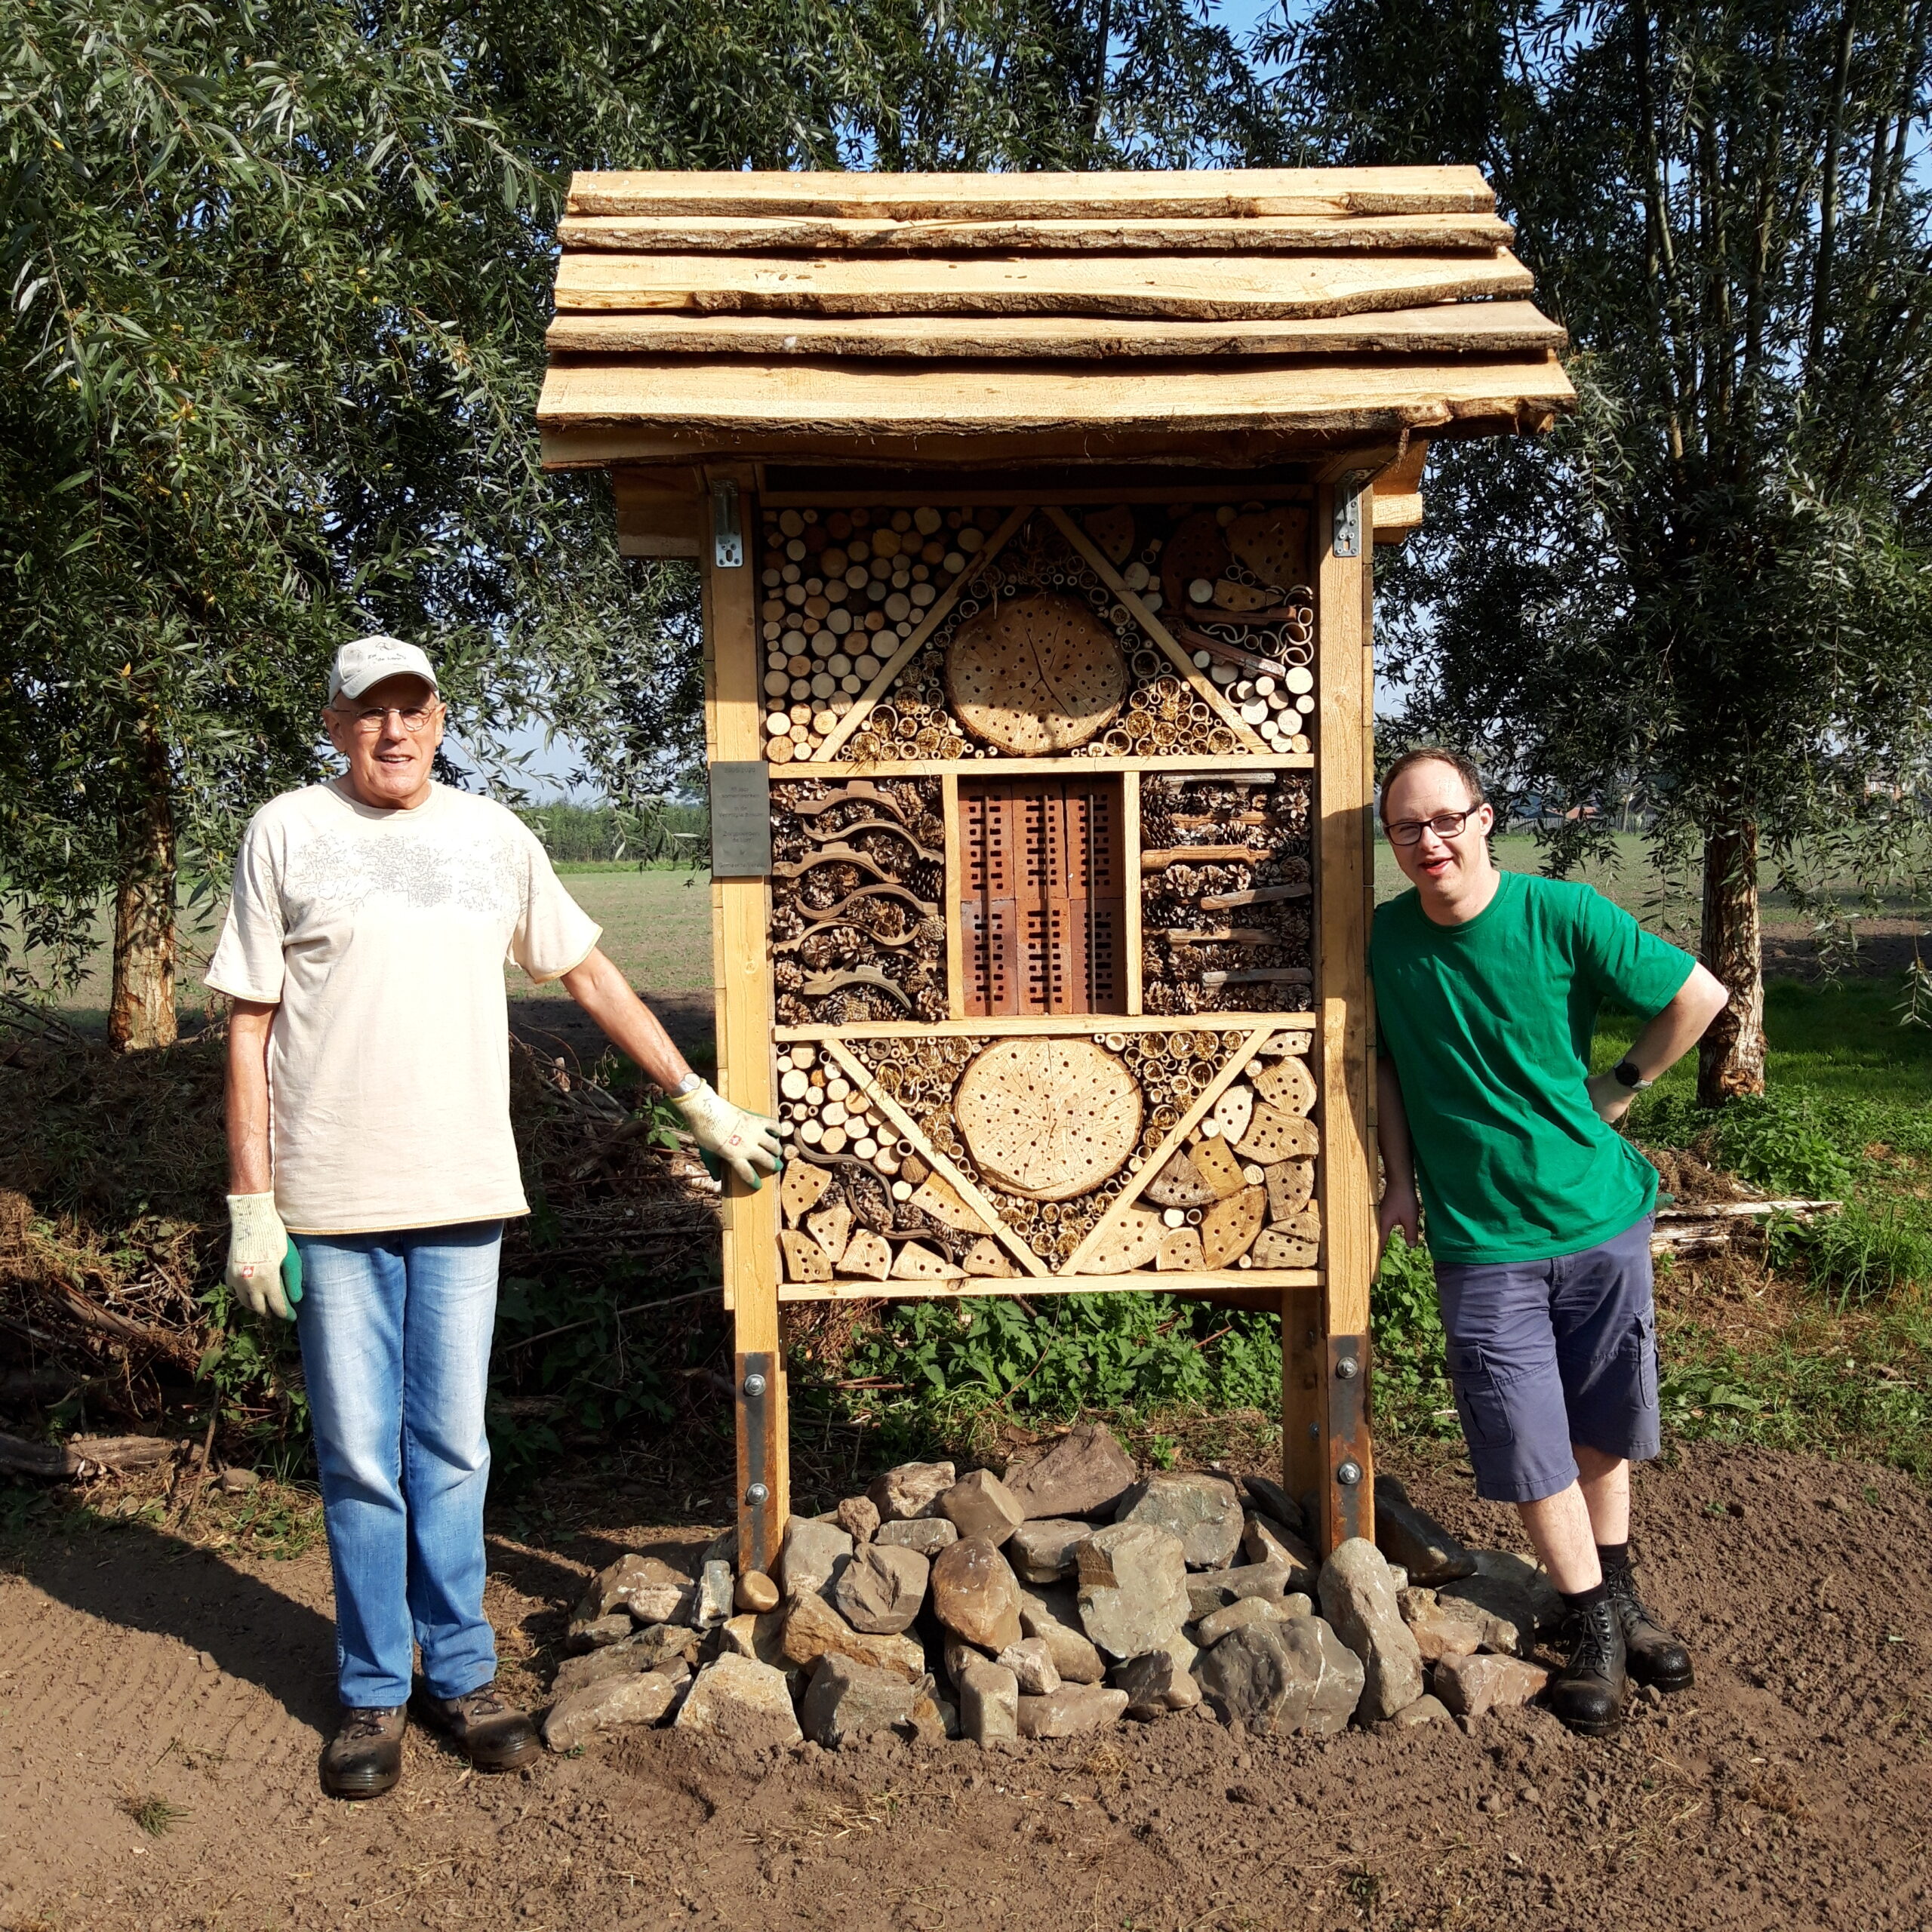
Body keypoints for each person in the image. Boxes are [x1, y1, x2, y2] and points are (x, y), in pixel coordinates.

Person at [207, 635, 780, 1799]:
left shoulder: (491, 837)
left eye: (413, 709)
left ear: (441, 717)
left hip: (463, 1193)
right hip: (331, 1202)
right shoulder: (287, 832)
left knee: (452, 1447)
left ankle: (460, 1674)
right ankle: (373, 1691)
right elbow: (249, 1029)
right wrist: (252, 1204)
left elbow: (591, 975)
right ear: (335, 726)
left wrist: (697, 1100)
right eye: (370, 713)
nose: (394, 731)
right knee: (362, 1460)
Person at [1369, 748, 1729, 1737]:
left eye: (1446, 819)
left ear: (1485, 819)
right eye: (1407, 828)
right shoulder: (1384, 946)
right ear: (1391, 842)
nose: (1429, 841)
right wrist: (1400, 1183)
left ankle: (1607, 1604)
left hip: (1600, 1218)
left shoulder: (1560, 914)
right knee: (1524, 1433)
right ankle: (1600, 1622)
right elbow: (1388, 1071)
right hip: (1482, 1238)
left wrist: (1618, 1087)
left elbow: (1697, 994)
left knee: (1603, 1422)